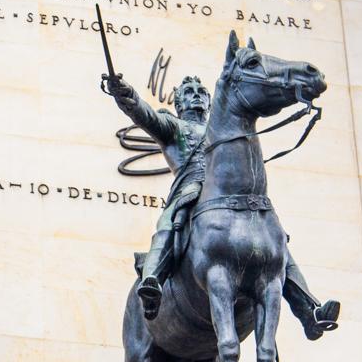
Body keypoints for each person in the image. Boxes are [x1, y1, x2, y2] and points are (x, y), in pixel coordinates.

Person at [104, 72, 340, 337]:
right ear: (179, 103)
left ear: (208, 101)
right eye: (188, 92)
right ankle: (153, 281)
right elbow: (143, 113)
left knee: (274, 241)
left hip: (233, 196)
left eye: (200, 92)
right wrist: (123, 91)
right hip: (192, 189)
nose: (196, 95)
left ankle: (308, 311)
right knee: (171, 220)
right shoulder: (173, 126)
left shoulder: (224, 128)